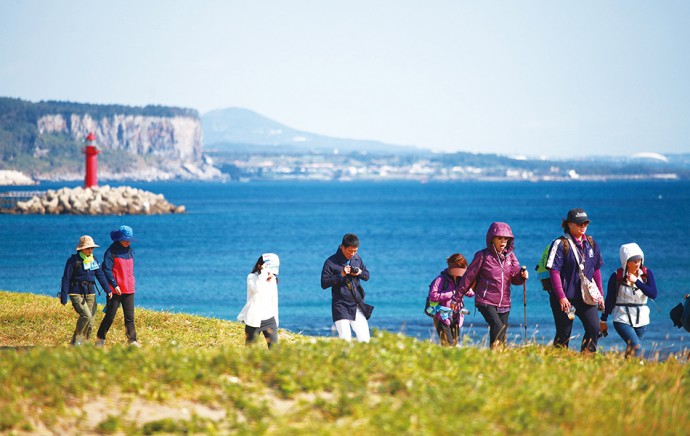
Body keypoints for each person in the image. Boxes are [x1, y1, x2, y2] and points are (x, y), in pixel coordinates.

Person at [544, 208, 605, 353]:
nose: (583, 226)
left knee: (594, 328)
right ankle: (558, 362)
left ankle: (586, 360)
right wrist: (561, 297)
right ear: (569, 224)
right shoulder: (560, 244)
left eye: (585, 223)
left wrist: (600, 295)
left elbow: (596, 270)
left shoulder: (591, 243)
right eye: (579, 223)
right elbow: (554, 271)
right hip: (565, 297)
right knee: (564, 334)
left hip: (585, 297)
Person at [458, 222, 528, 349]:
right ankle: (495, 355)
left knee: (501, 335)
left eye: (506, 238)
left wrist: (522, 277)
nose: (503, 241)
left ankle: (496, 358)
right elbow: (468, 277)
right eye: (499, 238)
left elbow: (515, 280)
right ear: (492, 238)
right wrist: (457, 297)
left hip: (504, 303)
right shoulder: (482, 255)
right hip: (485, 300)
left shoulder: (510, 257)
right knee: (498, 327)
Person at [600, 243, 657, 358]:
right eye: (634, 261)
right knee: (637, 347)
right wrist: (603, 320)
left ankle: (626, 370)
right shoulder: (616, 276)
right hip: (622, 318)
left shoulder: (647, 274)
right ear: (626, 261)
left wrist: (637, 281)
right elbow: (610, 299)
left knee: (632, 350)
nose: (637, 264)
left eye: (639, 260)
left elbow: (653, 294)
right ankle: (635, 370)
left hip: (642, 320)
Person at [59, 235, 111, 345]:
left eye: (92, 248)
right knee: (86, 316)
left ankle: (85, 343)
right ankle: (77, 341)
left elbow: (100, 275)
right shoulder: (73, 261)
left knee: (91, 322)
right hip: (76, 293)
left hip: (91, 293)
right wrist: (64, 297)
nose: (90, 250)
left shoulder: (93, 259)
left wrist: (108, 289)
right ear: (81, 248)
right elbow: (66, 278)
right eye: (88, 248)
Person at [320, 233, 371, 342]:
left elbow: (367, 276)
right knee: (345, 339)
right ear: (343, 247)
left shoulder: (357, 259)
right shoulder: (330, 262)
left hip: (357, 303)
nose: (352, 254)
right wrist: (341, 275)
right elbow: (324, 284)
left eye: (355, 251)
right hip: (340, 305)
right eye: (350, 251)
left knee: (365, 339)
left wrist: (360, 273)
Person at [96, 225, 139, 347]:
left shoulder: (129, 251)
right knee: (110, 316)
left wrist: (131, 283)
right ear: (119, 238)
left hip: (129, 288)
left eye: (129, 239)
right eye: (125, 239)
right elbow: (107, 270)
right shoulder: (110, 252)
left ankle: (132, 341)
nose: (127, 241)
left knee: (129, 317)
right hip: (115, 290)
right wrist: (114, 285)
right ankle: (100, 338)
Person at [426, 253, 474, 346]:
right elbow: (433, 296)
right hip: (442, 317)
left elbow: (471, 294)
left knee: (453, 346)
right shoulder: (440, 280)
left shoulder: (462, 280)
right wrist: (452, 293)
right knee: (448, 346)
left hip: (457, 317)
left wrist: (465, 287)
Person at [237, 253, 280, 348]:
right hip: (254, 319)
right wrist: (263, 274)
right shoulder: (252, 277)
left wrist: (276, 320)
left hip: (269, 319)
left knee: (275, 349)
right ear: (259, 265)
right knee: (250, 350)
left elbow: (273, 300)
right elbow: (258, 289)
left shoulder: (272, 279)